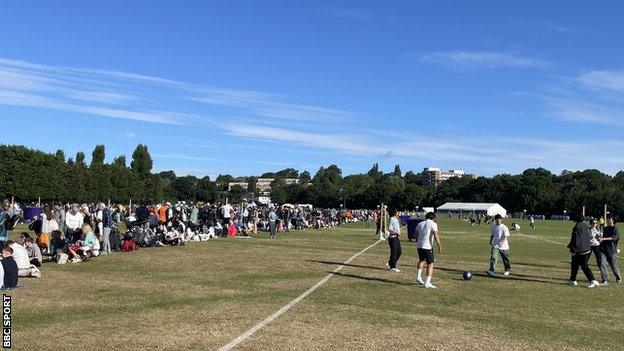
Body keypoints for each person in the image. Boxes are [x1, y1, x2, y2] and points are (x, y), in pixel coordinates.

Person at [566, 213, 600, 288]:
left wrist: (573, 249)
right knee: (575, 264)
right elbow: (588, 236)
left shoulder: (577, 227)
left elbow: (576, 239)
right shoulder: (585, 226)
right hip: (587, 248)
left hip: (580, 249)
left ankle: (593, 280)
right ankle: (572, 280)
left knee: (584, 265)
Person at [415, 212, 442, 289]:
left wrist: (418, 241)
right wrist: (439, 245)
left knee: (421, 260)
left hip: (419, 246)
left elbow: (415, 235)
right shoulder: (433, 224)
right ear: (433, 218)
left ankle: (418, 276)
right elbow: (436, 235)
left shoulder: (420, 223)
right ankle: (427, 282)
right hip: (427, 246)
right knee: (430, 264)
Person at [598, 214, 621, 284]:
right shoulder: (605, 228)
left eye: (609, 219)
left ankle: (618, 277)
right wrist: (598, 238)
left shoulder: (615, 229)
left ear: (612, 220)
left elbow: (613, 238)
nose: (607, 220)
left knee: (613, 266)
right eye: (607, 219)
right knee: (602, 264)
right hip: (603, 249)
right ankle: (605, 280)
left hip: (611, 250)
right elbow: (601, 236)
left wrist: (603, 238)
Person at [588, 219, 607, 284]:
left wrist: (599, 239)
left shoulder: (598, 230)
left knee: (600, 262)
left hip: (597, 246)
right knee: (584, 262)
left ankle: (604, 278)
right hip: (589, 246)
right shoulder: (588, 229)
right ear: (590, 223)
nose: (594, 224)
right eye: (593, 223)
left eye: (596, 223)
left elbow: (600, 238)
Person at [386, 208, 402, 272]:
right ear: (394, 212)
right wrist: (396, 232)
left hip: (396, 237)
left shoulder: (395, 219)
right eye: (396, 211)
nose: (397, 212)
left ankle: (390, 262)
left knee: (399, 251)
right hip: (392, 238)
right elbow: (390, 228)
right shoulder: (391, 219)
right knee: (394, 252)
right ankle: (392, 267)